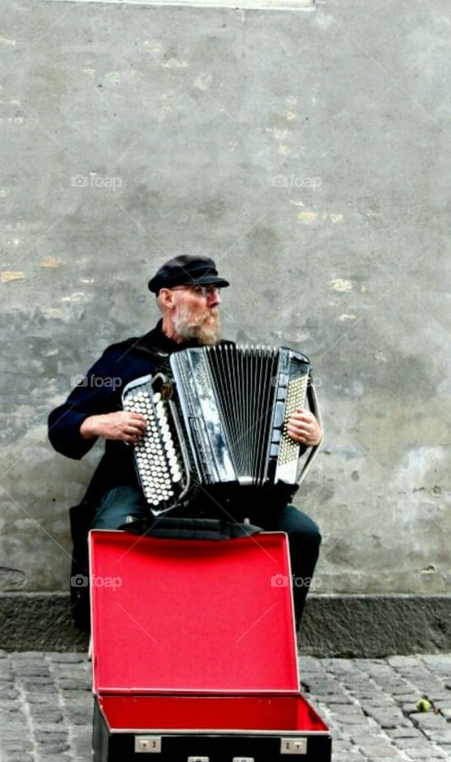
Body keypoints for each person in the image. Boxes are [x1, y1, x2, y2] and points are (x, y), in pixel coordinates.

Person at [47, 254, 323, 630]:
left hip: (229, 495)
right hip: (139, 486)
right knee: (112, 531)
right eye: (202, 291)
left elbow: (272, 440)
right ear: (167, 298)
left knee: (302, 533)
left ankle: (270, 641)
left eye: (216, 292)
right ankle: (114, 640)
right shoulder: (125, 359)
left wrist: (307, 434)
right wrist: (98, 422)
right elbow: (61, 423)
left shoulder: (232, 361)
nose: (215, 300)